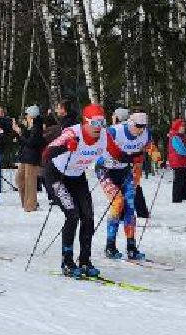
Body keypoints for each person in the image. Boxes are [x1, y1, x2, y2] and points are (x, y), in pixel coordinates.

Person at [41, 104, 114, 278]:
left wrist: (133, 157)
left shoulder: (104, 136)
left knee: (88, 217)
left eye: (102, 123)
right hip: (57, 175)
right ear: (85, 122)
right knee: (72, 215)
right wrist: (66, 147)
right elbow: (46, 154)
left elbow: (116, 153)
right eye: (95, 123)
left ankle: (85, 261)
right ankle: (67, 261)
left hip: (77, 177)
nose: (99, 128)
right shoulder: (72, 133)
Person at [99, 110, 153, 261]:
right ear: (130, 123)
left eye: (143, 126)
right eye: (138, 126)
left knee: (130, 207)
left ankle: (131, 247)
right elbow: (99, 145)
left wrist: (155, 154)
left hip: (124, 171)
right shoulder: (116, 131)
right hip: (106, 171)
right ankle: (110, 246)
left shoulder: (145, 133)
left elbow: (149, 145)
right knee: (118, 202)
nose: (140, 129)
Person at [15, 105, 44, 212]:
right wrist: (21, 131)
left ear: (31, 116)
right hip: (26, 156)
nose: (26, 117)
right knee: (20, 178)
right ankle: (26, 202)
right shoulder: (31, 126)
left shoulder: (37, 126)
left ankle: (31, 205)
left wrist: (20, 133)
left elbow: (31, 142)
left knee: (30, 181)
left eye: (27, 115)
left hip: (32, 156)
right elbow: (26, 139)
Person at [167, 118, 186, 203]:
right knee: (179, 181)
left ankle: (184, 197)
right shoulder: (175, 137)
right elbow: (181, 150)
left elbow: (185, 147)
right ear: (177, 127)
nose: (183, 128)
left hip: (182, 162)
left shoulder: (182, 136)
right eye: (181, 126)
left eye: (184, 126)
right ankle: (177, 199)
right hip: (177, 162)